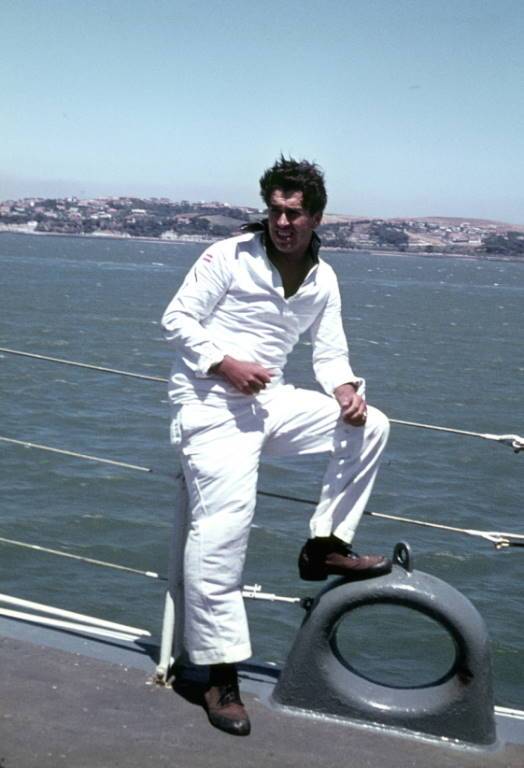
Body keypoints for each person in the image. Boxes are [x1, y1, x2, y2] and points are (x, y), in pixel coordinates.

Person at [161, 156, 390, 736]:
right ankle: (219, 676)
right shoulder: (227, 255)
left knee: (370, 424)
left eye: (294, 213)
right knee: (224, 531)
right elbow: (177, 319)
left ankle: (325, 546)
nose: (283, 223)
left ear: (316, 217)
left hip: (270, 400)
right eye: (275, 211)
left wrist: (346, 392)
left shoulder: (324, 278)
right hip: (211, 406)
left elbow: (330, 353)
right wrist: (225, 364)